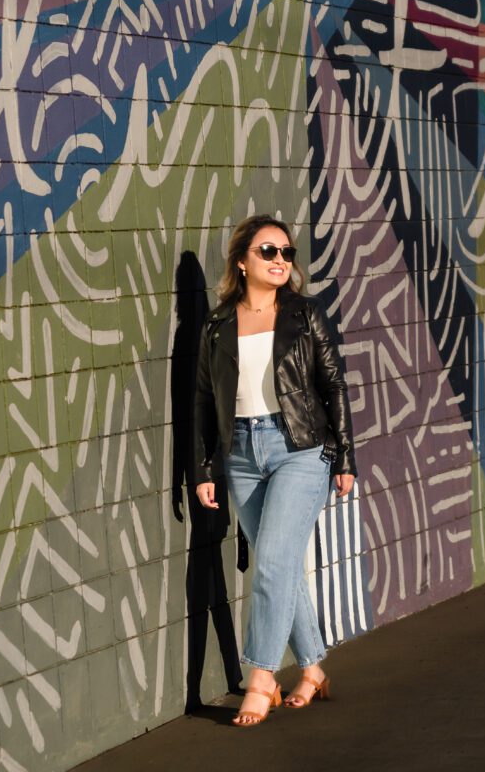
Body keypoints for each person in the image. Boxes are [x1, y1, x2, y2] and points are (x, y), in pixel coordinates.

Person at [192, 214, 357, 726]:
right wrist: (203, 468)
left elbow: (334, 385)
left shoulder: (304, 314)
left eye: (287, 252)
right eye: (268, 251)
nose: (281, 260)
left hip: (302, 449)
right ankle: (312, 670)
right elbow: (202, 399)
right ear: (242, 261)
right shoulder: (218, 323)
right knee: (280, 567)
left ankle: (261, 675)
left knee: (271, 564)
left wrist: (345, 458)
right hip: (240, 453)